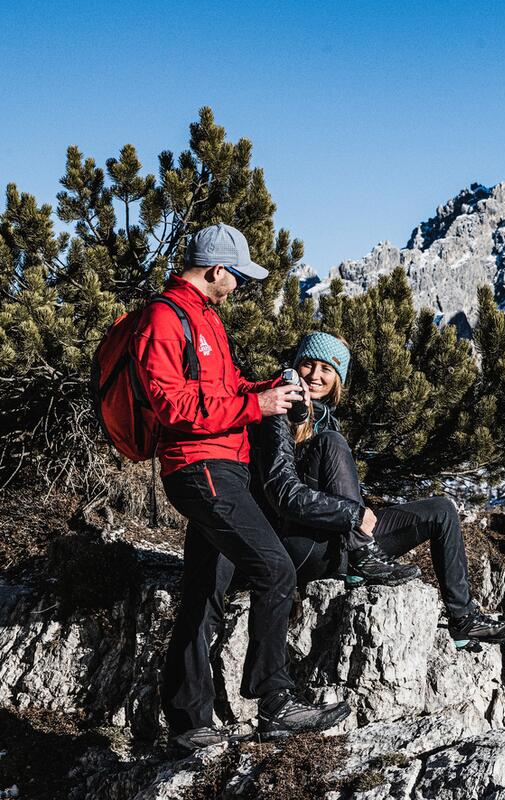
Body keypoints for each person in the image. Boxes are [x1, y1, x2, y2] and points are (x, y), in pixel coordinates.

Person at [131, 224, 349, 750]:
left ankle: (188, 722)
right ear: (216, 271)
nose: (241, 286)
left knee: (205, 587)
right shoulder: (165, 318)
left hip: (223, 466)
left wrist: (270, 389)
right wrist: (259, 406)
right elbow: (171, 406)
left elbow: (224, 390)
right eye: (239, 276)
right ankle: (275, 701)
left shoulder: (204, 318)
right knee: (273, 567)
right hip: (199, 467)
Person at [251, 332, 505, 650]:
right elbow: (282, 493)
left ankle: (464, 620)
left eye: (326, 369)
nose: (315, 375)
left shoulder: (327, 421)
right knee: (331, 444)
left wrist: (355, 517)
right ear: (295, 369)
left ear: (337, 379)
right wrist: (353, 517)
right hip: (298, 543)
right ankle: (360, 554)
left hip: (340, 542)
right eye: (308, 365)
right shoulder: (279, 409)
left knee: (442, 510)